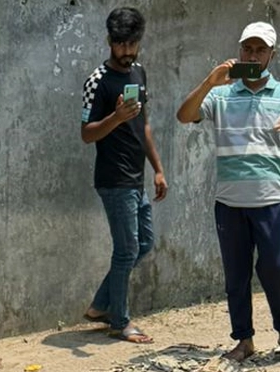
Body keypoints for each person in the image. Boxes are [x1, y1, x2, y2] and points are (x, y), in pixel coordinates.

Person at [176, 21, 280, 364]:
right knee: (236, 274)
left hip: (270, 199)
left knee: (275, 267)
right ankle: (244, 339)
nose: (253, 55)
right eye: (247, 49)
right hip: (229, 202)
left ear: (273, 54)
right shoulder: (222, 94)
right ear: (239, 50)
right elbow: (184, 116)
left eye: (260, 50)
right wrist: (209, 82)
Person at [80, 6, 167, 344]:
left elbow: (143, 125)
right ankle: (120, 321)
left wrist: (158, 169)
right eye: (121, 44)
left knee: (143, 243)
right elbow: (87, 134)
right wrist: (115, 118)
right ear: (109, 41)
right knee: (126, 249)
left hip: (137, 177)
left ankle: (101, 306)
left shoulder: (139, 73)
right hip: (113, 179)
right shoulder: (97, 82)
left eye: (132, 44)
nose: (127, 51)